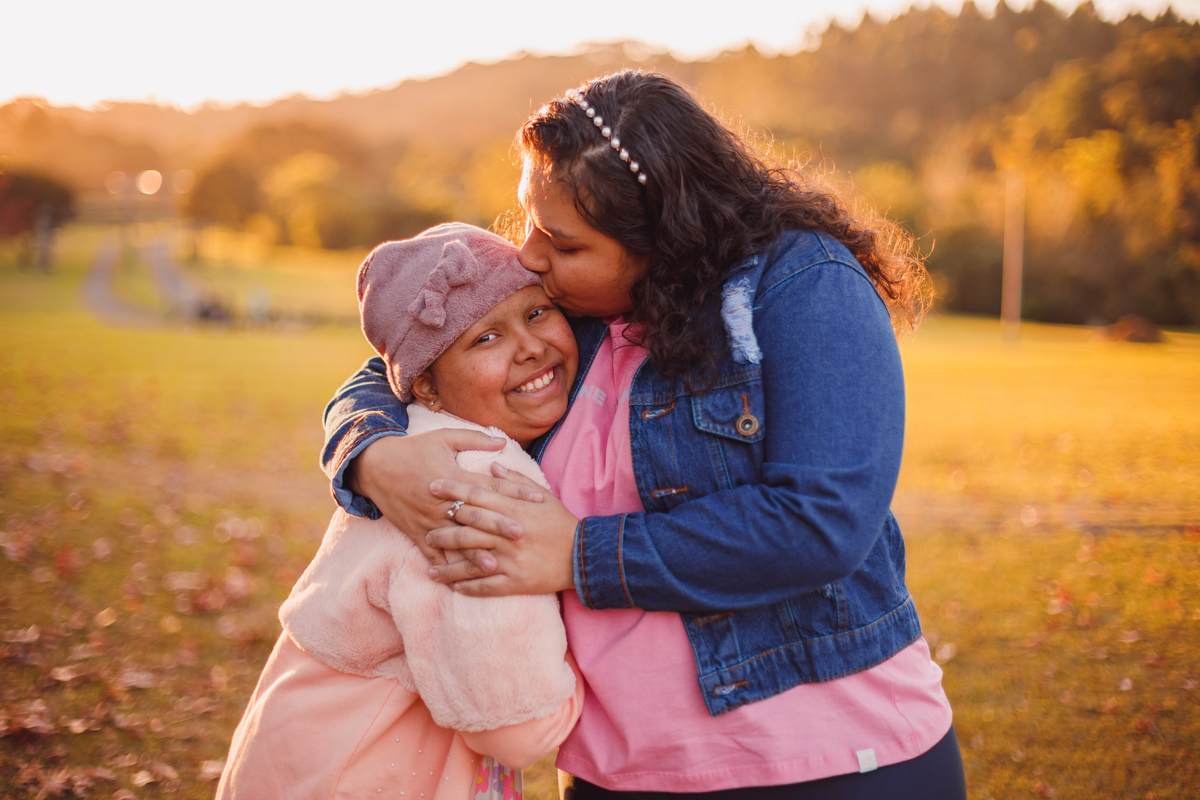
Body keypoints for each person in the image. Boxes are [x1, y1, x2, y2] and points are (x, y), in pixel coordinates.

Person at [322, 71, 968, 799]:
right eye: (529, 222)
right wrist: (371, 455)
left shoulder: (804, 285)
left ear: (661, 239)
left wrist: (578, 553)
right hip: (614, 774)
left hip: (835, 762)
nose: (530, 255)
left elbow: (823, 522)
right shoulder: (566, 309)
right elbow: (405, 359)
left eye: (562, 244)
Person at [218, 223, 584, 800]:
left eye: (537, 313)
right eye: (484, 338)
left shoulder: (424, 436)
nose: (530, 345)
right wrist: (613, 665)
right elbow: (519, 728)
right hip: (356, 777)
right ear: (426, 388)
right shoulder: (473, 480)